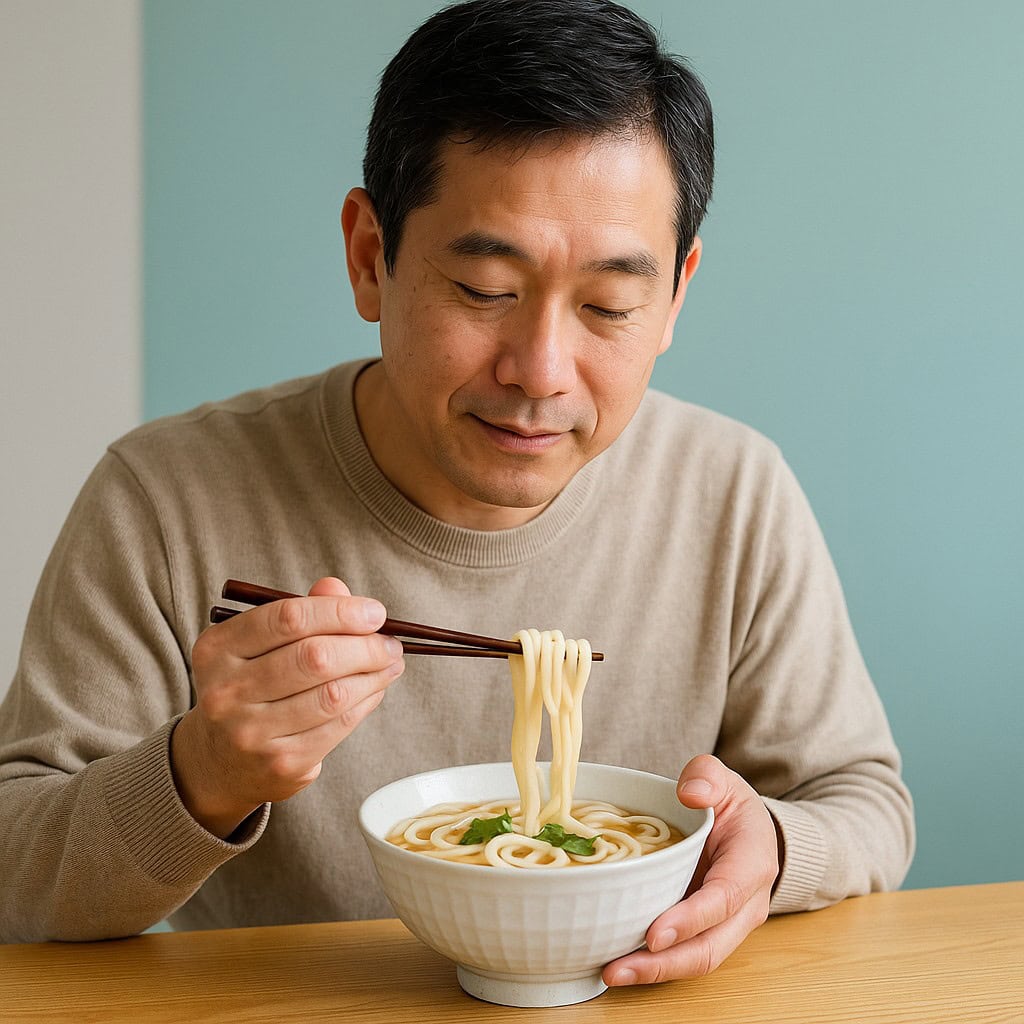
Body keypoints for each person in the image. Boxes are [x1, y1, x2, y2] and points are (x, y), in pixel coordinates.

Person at [0, 0, 913, 987]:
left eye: (609, 305)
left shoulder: (732, 490)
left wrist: (768, 847)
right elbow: (16, 868)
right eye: (484, 290)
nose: (540, 370)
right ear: (369, 257)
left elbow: (862, 801)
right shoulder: (168, 499)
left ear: (675, 297)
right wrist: (201, 773)